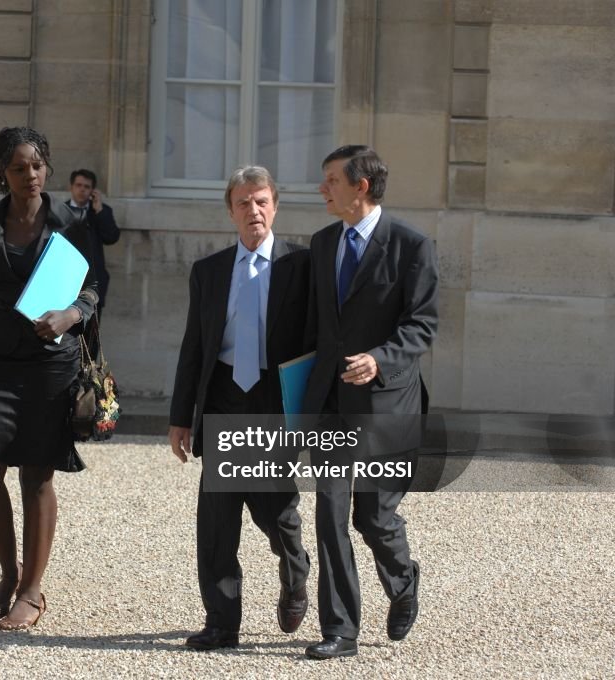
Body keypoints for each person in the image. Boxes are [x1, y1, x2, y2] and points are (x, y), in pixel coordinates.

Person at [0, 127, 98, 631]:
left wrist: (69, 315)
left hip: (52, 363)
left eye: (36, 165)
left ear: (47, 168)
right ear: (1, 174)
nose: (29, 175)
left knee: (37, 473)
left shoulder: (72, 222)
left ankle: (31, 592)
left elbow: (94, 291)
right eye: (17, 167)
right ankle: (9, 574)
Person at [301, 145, 438, 659]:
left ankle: (403, 579)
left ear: (361, 186)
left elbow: (422, 325)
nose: (323, 188)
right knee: (329, 511)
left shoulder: (412, 246)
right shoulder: (320, 244)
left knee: (373, 516)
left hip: (388, 402)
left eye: (331, 179)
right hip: (332, 400)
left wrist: (380, 359)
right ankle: (340, 630)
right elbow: (314, 325)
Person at [168, 166, 311, 650]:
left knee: (274, 507)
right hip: (225, 396)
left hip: (274, 399)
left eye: (262, 201)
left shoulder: (301, 266)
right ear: (231, 210)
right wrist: (180, 417)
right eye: (244, 203)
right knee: (218, 518)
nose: (254, 210)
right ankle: (221, 623)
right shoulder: (208, 272)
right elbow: (194, 347)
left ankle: (295, 570)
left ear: (275, 206)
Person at [67, 169, 120, 315]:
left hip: (93, 284)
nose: (82, 190)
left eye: (86, 187)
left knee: (91, 334)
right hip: (66, 281)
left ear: (92, 191)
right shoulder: (60, 210)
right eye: (78, 185)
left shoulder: (101, 211)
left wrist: (100, 212)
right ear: (71, 187)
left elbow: (111, 237)